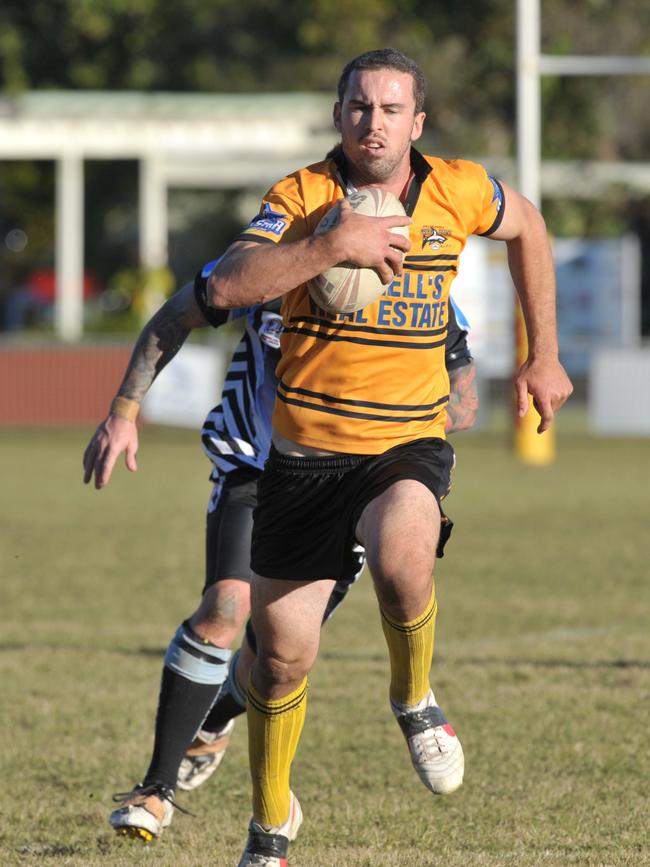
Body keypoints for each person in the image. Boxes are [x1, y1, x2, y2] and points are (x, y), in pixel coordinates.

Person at [205, 48, 573, 867]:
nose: (375, 123)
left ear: (419, 121)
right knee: (278, 663)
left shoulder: (460, 189)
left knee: (408, 548)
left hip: (405, 443)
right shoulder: (301, 198)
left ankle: (413, 697)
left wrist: (543, 352)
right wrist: (331, 247)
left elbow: (532, 226)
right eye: (360, 107)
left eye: (391, 108)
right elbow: (230, 282)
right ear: (339, 116)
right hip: (303, 462)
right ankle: (270, 830)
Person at [83, 258, 478, 842]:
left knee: (275, 658)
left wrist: (393, 432)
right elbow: (176, 315)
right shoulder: (269, 267)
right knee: (225, 605)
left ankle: (215, 714)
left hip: (351, 484)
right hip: (255, 468)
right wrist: (124, 411)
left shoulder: (418, 292)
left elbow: (463, 402)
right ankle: (156, 788)